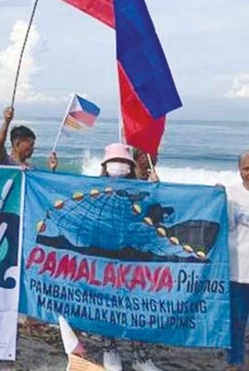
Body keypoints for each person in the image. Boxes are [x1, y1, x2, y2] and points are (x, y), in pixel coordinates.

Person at [99, 143, 161, 371]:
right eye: (115, 161)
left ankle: (140, 356)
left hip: (135, 257)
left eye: (124, 162)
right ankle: (110, 350)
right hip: (104, 257)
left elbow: (154, 213)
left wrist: (156, 188)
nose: (119, 166)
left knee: (139, 304)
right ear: (105, 166)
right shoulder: (92, 187)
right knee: (106, 303)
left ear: (130, 166)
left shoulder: (141, 187)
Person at [226, 151, 249, 370]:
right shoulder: (229, 194)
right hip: (238, 270)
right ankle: (235, 362)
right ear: (239, 170)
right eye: (246, 168)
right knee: (237, 321)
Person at [0, 106, 57, 171]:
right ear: (17, 143)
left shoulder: (32, 168)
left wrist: (52, 169)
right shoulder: (6, 162)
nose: (33, 148)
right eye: (30, 145)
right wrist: (6, 122)